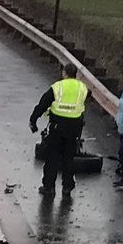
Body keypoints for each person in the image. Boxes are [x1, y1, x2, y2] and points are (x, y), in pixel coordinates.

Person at [30, 63, 88, 199]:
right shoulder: (82, 88)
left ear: (64, 73)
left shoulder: (57, 87)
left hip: (58, 127)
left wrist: (33, 120)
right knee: (69, 157)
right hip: (74, 128)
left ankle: (49, 187)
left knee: (52, 157)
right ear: (76, 74)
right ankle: (67, 186)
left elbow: (43, 104)